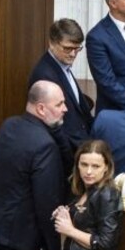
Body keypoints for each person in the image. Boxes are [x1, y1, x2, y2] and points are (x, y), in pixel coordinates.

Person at [0, 81, 69, 250]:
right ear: (41, 108)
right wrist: (53, 246)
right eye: (59, 103)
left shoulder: (10, 126)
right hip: (24, 239)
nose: (65, 108)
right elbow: (46, 201)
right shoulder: (44, 146)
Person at [27, 18, 94, 166]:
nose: (73, 54)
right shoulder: (44, 75)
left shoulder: (62, 66)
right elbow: (53, 123)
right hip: (66, 153)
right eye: (67, 48)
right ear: (52, 43)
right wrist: (70, 157)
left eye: (77, 49)